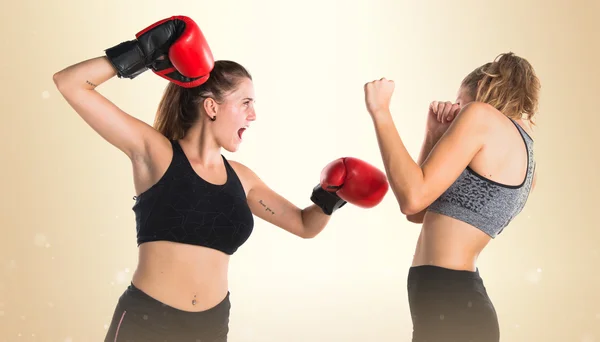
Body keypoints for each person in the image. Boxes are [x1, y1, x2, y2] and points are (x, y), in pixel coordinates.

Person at [53, 16, 389, 341]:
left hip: (210, 329)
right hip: (148, 324)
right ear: (212, 107)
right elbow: (71, 83)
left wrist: (330, 196)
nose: (254, 115)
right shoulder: (156, 153)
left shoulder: (242, 179)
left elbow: (303, 224)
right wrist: (141, 52)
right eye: (245, 103)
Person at [363, 52, 539, 341]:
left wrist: (380, 110)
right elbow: (417, 213)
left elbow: (411, 198)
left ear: (481, 93)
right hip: (454, 298)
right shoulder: (523, 151)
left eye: (459, 104)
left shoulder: (480, 115)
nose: (455, 111)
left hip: (451, 298)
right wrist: (434, 134)